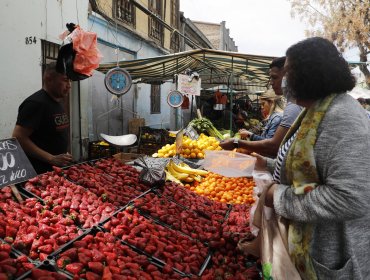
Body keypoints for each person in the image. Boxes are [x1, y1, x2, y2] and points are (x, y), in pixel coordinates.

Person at [255, 37, 370, 279]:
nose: (283, 80)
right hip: (307, 247)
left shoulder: (342, 118)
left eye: (288, 72)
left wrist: (280, 196)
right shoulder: (314, 111)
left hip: (331, 258)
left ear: (309, 73)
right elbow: (307, 166)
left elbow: (351, 197)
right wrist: (266, 164)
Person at [220, 56, 302, 158]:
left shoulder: (293, 106)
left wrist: (237, 143)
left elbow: (273, 148)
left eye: (275, 77)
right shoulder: (293, 104)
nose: (271, 82)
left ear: (289, 77)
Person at [12, 62, 73, 174]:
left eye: (70, 81)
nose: (69, 85)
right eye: (65, 80)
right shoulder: (36, 103)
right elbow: (18, 137)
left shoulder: (57, 102)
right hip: (39, 173)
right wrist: (51, 158)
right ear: (49, 79)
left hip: (55, 171)